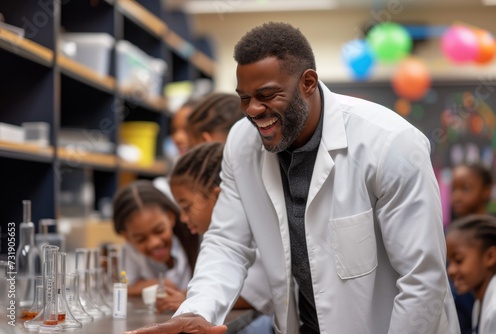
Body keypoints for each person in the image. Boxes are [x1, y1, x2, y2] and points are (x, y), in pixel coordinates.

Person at [124, 22, 459, 334]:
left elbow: (422, 280)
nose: (253, 110)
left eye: (267, 95)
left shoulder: (389, 144)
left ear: (307, 83)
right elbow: (227, 242)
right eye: (244, 98)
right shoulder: (242, 144)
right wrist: (197, 309)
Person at [162, 142, 273, 333]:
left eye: (187, 207)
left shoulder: (259, 226)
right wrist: (197, 303)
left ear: (217, 197)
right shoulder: (217, 238)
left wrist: (190, 300)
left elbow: (257, 293)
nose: (182, 218)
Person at [112, 180, 193, 296]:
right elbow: (124, 288)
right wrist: (161, 283)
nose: (154, 243)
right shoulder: (130, 250)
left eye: (159, 230)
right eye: (141, 239)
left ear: (171, 217)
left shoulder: (195, 234)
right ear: (127, 237)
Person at [449, 162, 493, 334]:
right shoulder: (447, 235)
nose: (457, 196)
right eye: (454, 189)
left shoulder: (493, 237)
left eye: (465, 188)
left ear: (486, 190)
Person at [445, 214, 496, 334]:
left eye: (459, 260)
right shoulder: (479, 303)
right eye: (449, 262)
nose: (451, 270)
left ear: (490, 257)